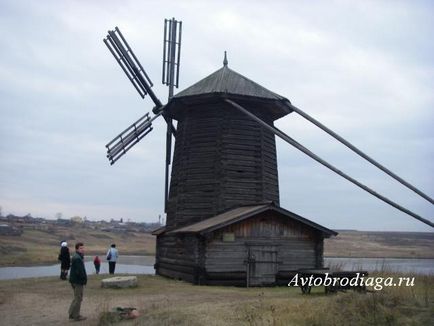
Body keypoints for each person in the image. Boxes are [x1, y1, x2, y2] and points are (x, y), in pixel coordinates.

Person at [68, 242, 87, 322]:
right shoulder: (77, 258)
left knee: (77, 297)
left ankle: (71, 313)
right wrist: (83, 279)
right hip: (78, 281)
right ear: (77, 249)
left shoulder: (77, 257)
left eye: (83, 248)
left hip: (75, 280)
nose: (82, 249)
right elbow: (79, 271)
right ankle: (76, 316)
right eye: (80, 248)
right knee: (78, 298)